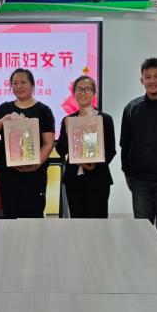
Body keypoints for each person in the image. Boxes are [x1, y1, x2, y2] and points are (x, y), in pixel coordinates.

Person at [120, 57, 157, 248]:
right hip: (140, 180)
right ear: (142, 80)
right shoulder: (132, 108)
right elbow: (125, 144)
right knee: (142, 227)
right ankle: (142, 264)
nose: (152, 81)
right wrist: (127, 173)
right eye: (148, 77)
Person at [0, 68, 56, 218]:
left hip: (34, 174)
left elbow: (48, 143)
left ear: (32, 85)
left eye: (23, 82)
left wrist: (36, 164)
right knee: (10, 213)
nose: (19, 86)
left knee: (33, 214)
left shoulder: (43, 110)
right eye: (15, 83)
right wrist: (3, 120)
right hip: (8, 173)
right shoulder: (5, 108)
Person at [54, 75, 116, 218]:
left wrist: (94, 164)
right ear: (74, 93)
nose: (83, 93)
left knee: (98, 221)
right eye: (79, 89)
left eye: (87, 89)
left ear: (94, 93)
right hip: (73, 179)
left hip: (98, 178)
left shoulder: (104, 119)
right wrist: (68, 133)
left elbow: (110, 150)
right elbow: (60, 150)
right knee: (77, 221)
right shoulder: (68, 120)